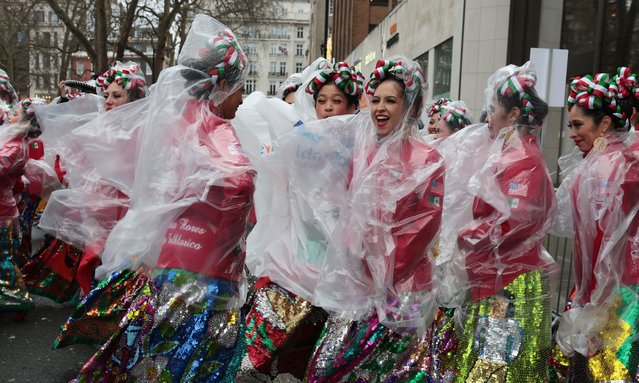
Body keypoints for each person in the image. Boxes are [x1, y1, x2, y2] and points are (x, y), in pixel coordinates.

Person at [73, 14, 254, 382]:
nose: (242, 98)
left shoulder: (178, 123)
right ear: (221, 86)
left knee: (163, 360)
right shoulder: (216, 131)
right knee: (199, 365)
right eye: (239, 88)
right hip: (207, 275)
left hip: (170, 265)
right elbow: (238, 184)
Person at [304, 56, 444, 382]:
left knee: (397, 373)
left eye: (391, 100)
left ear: (410, 106)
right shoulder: (365, 152)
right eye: (376, 99)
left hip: (405, 292)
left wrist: (381, 272)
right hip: (363, 284)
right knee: (330, 369)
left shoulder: (429, 159)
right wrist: (355, 258)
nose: (380, 107)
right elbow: (353, 214)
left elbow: (423, 229)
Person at [235, 60, 364, 381]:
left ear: (351, 104)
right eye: (322, 101)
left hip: (340, 258)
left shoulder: (364, 144)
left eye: (336, 101)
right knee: (265, 338)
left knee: (319, 348)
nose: (328, 108)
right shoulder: (302, 138)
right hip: (299, 254)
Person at [451, 62, 557, 382]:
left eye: (493, 109)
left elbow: (514, 222)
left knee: (492, 371)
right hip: (496, 279)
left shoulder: (524, 159)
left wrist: (465, 236)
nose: (487, 118)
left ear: (513, 116)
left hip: (509, 285)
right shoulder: (509, 156)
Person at [554, 71, 639, 382]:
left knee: (603, 374)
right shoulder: (615, 160)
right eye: (570, 126)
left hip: (615, 299)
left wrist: (591, 301)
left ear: (604, 124)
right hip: (613, 295)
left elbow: (601, 246)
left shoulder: (608, 166)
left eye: (579, 125)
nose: (573, 134)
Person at [0, 97, 46, 316]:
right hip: (7, 206)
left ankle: (20, 300)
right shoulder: (13, 142)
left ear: (27, 122)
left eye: (16, 114)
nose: (10, 115)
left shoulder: (15, 147)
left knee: (5, 259)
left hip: (3, 212)